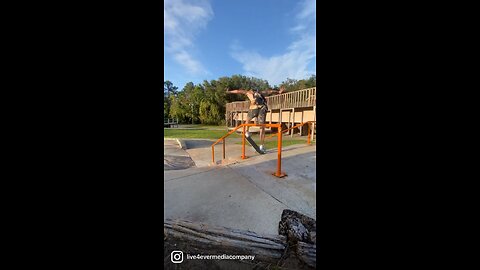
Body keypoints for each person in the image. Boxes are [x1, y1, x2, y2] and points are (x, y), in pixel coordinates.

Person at [226, 86, 285, 153]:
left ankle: (247, 132)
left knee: (249, 120)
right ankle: (261, 145)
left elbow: (238, 91)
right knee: (261, 127)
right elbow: (271, 91)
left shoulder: (248, 92)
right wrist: (278, 92)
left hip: (256, 108)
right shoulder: (261, 93)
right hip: (262, 108)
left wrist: (229, 91)